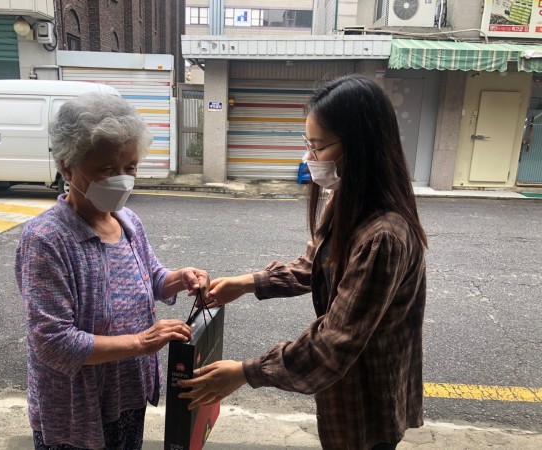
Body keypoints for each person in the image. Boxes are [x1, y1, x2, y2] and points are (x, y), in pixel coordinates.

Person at [179, 74, 428, 450]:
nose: (308, 158)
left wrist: (245, 372)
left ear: (360, 145)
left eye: (318, 146)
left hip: (367, 402)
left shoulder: (384, 237)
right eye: (307, 144)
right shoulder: (345, 199)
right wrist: (246, 283)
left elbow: (334, 343)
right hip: (342, 393)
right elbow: (316, 265)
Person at [15, 92, 209, 450]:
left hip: (127, 395)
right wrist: (141, 342)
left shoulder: (126, 219)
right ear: (67, 167)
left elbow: (151, 277)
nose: (122, 179)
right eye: (107, 169)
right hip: (76, 411)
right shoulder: (46, 239)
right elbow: (52, 341)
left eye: (130, 167)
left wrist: (178, 279)